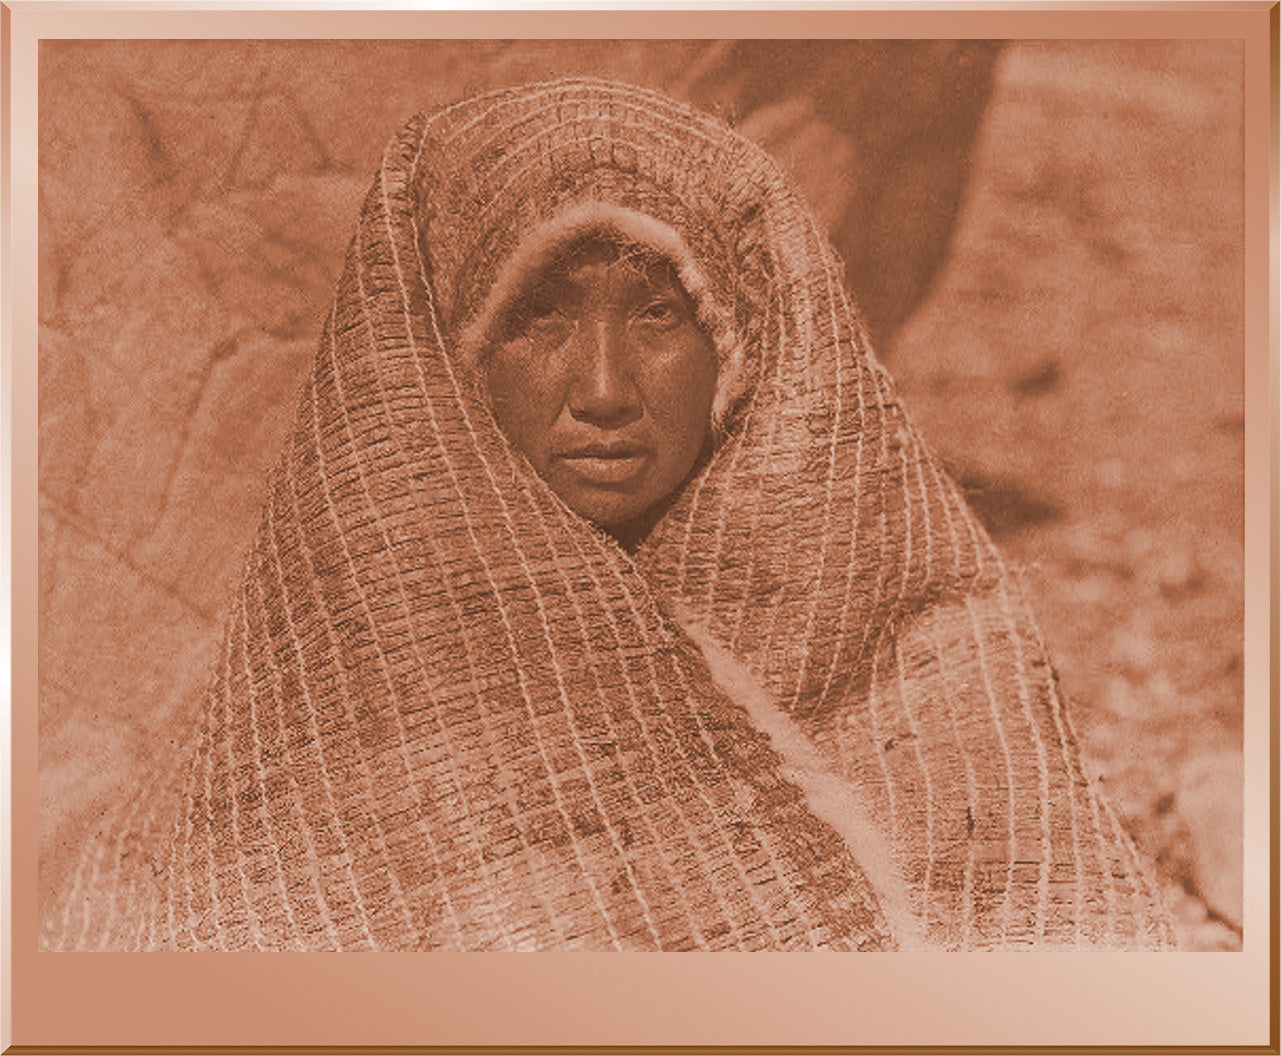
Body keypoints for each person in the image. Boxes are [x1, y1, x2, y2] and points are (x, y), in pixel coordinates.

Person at [41, 78, 1174, 951]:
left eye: (660, 313)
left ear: (749, 335)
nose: (601, 391)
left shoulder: (926, 644)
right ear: (441, 351)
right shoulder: (326, 731)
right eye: (536, 317)